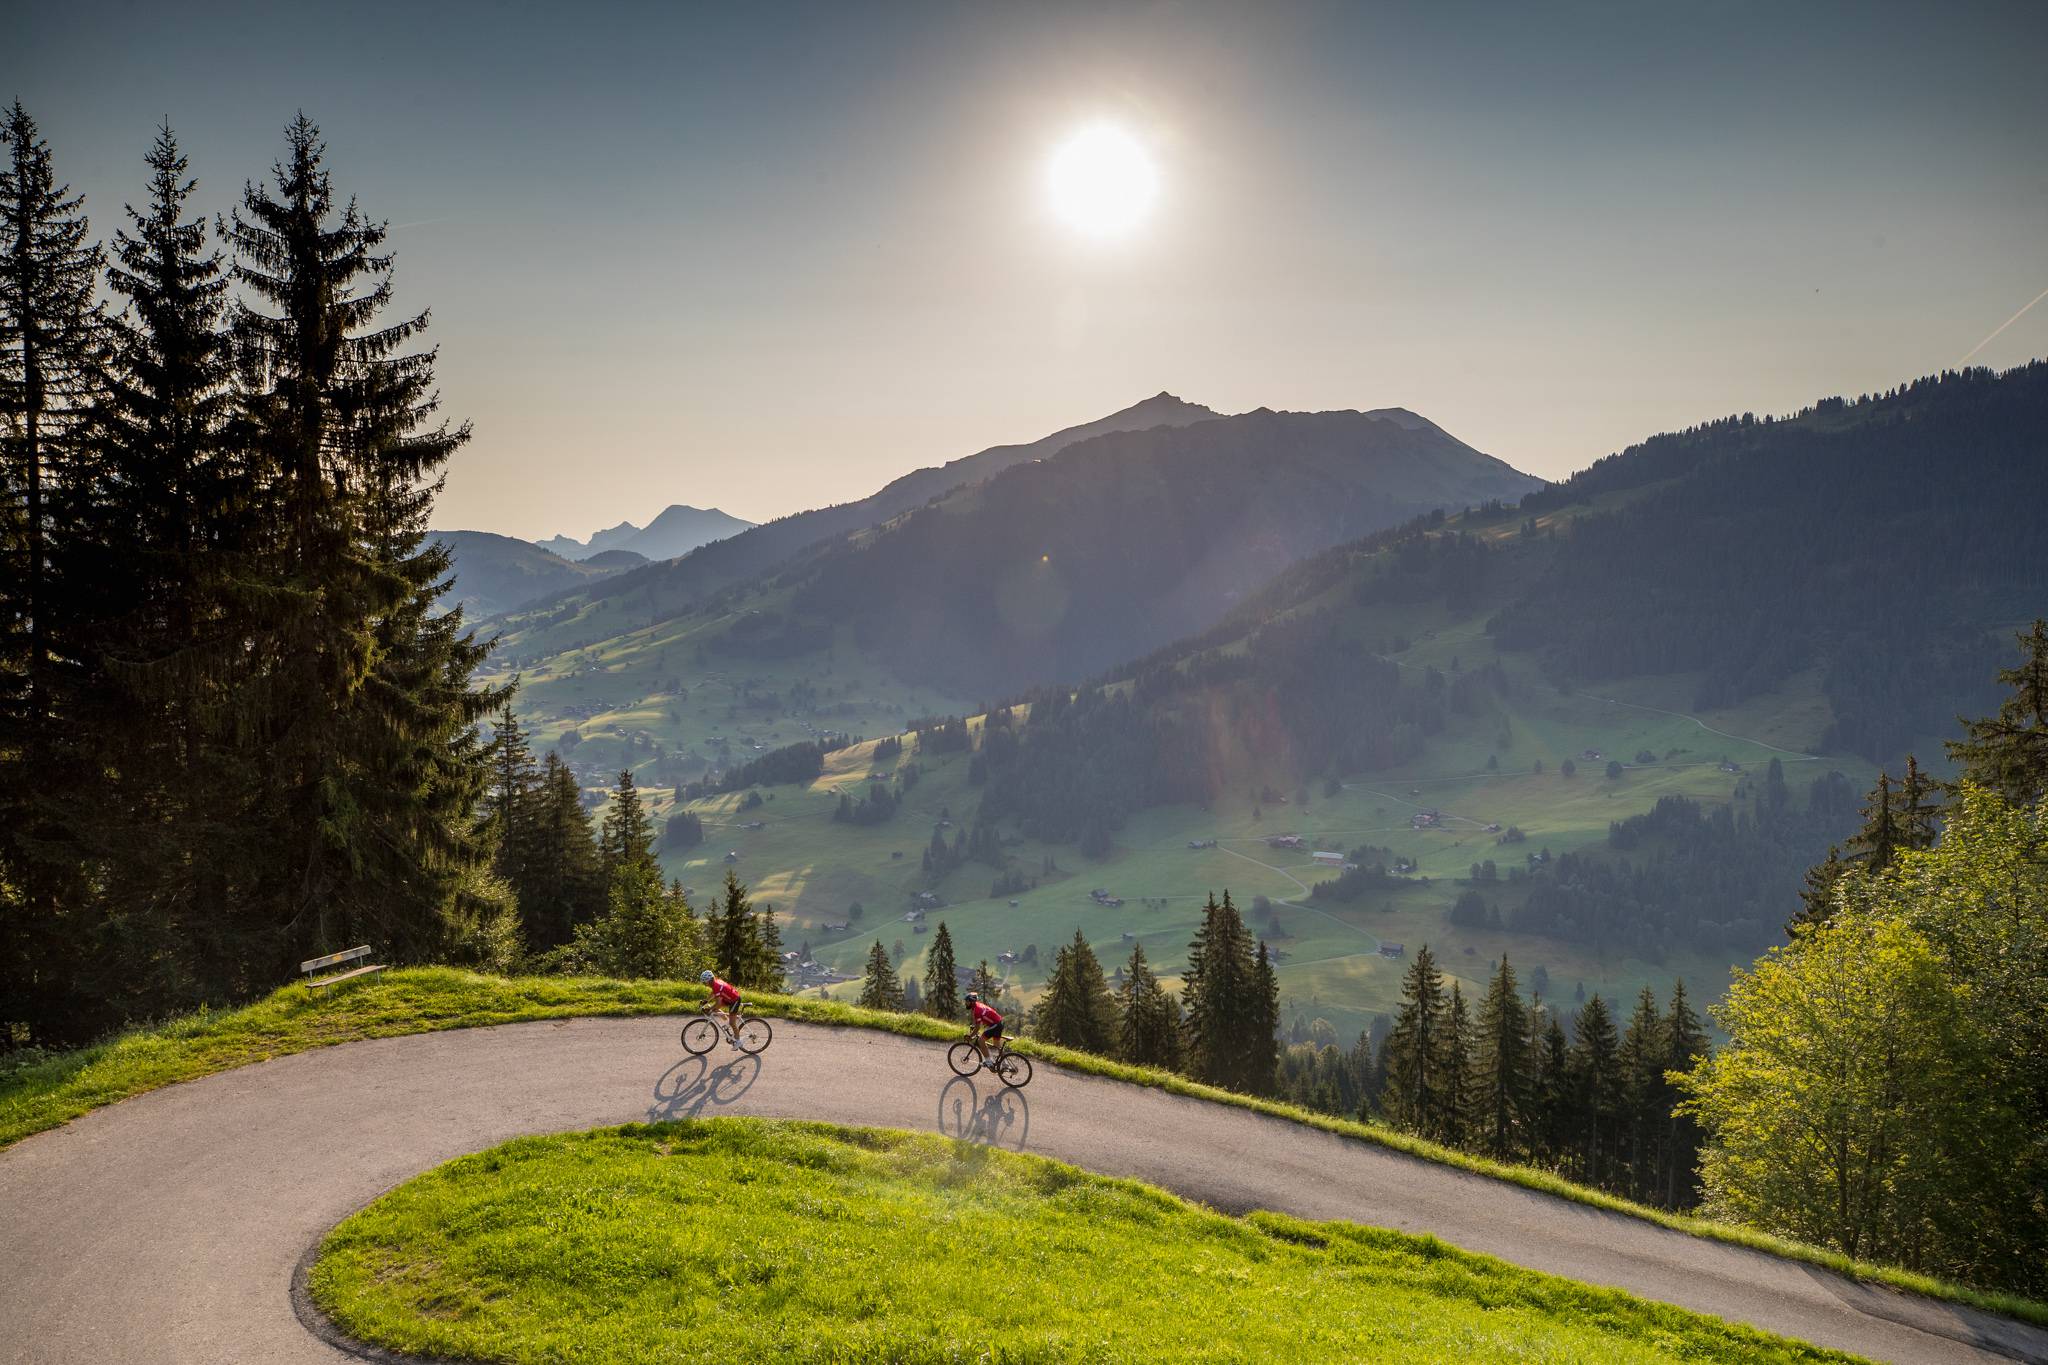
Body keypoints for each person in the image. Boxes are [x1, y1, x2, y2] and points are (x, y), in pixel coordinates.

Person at [701, 969, 742, 1044]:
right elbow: (714, 992)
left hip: (734, 1000)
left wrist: (709, 1009)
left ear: (709, 980)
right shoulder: (715, 983)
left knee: (732, 1023)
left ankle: (738, 1041)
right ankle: (727, 1022)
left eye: (704, 982)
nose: (704, 984)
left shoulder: (716, 986)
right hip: (728, 998)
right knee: (715, 1009)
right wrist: (706, 1000)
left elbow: (718, 1003)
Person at [965, 990, 1004, 1066]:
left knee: (980, 1040)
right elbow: (980, 1020)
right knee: (997, 1045)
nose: (965, 1003)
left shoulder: (977, 1010)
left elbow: (978, 1026)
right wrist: (975, 1027)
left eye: (967, 1001)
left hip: (996, 1025)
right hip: (998, 1023)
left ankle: (988, 1061)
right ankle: (1005, 1063)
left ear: (972, 1002)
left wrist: (970, 1036)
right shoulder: (977, 1006)